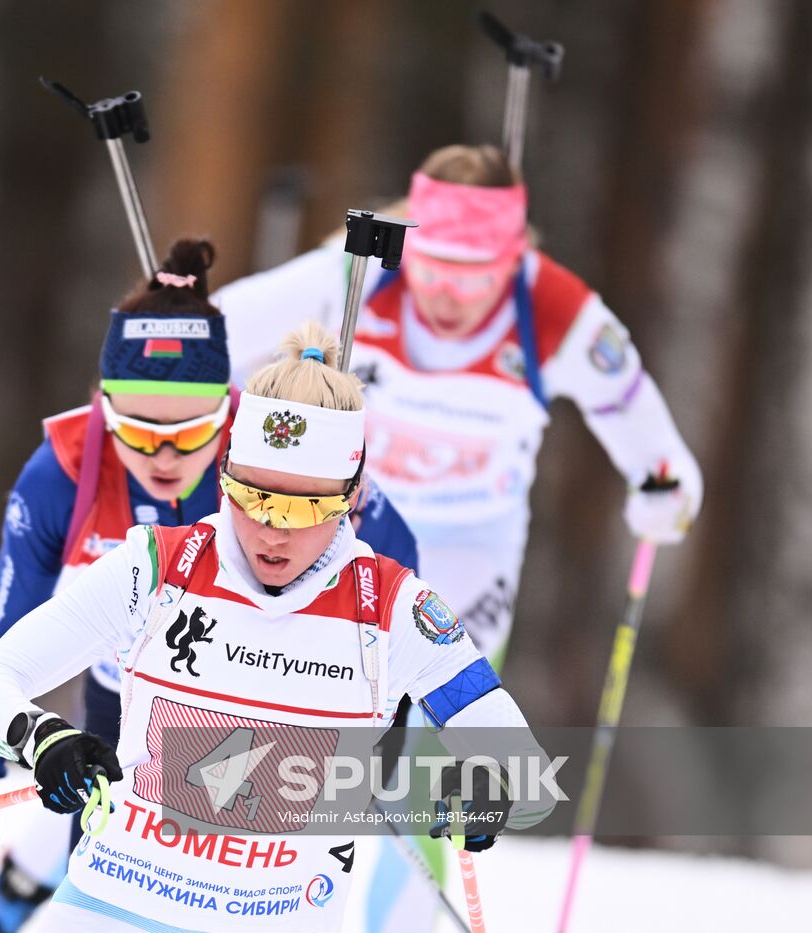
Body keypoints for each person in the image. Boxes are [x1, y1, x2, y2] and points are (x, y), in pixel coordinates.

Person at [212, 143, 703, 931]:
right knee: (296, 719)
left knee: (432, 756)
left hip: (471, 557)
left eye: (474, 274)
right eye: (432, 265)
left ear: (515, 257)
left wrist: (665, 484)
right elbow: (220, 330)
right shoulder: (360, 268)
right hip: (346, 535)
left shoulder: (556, 307)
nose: (446, 292)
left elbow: (639, 417)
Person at [0, 322, 554, 932]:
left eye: (301, 507)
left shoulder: (393, 608)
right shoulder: (154, 568)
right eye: (251, 496)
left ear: (351, 495)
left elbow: (515, 762)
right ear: (226, 477)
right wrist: (43, 738)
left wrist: (486, 786)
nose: (271, 530)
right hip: (115, 911)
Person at [0, 242, 419, 933]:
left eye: (190, 434)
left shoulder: (281, 455)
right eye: (136, 432)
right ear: (103, 410)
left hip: (272, 707)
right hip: (124, 703)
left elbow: (397, 563)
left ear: (227, 412)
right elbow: (3, 645)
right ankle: (15, 893)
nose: (164, 457)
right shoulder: (64, 471)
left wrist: (387, 720)